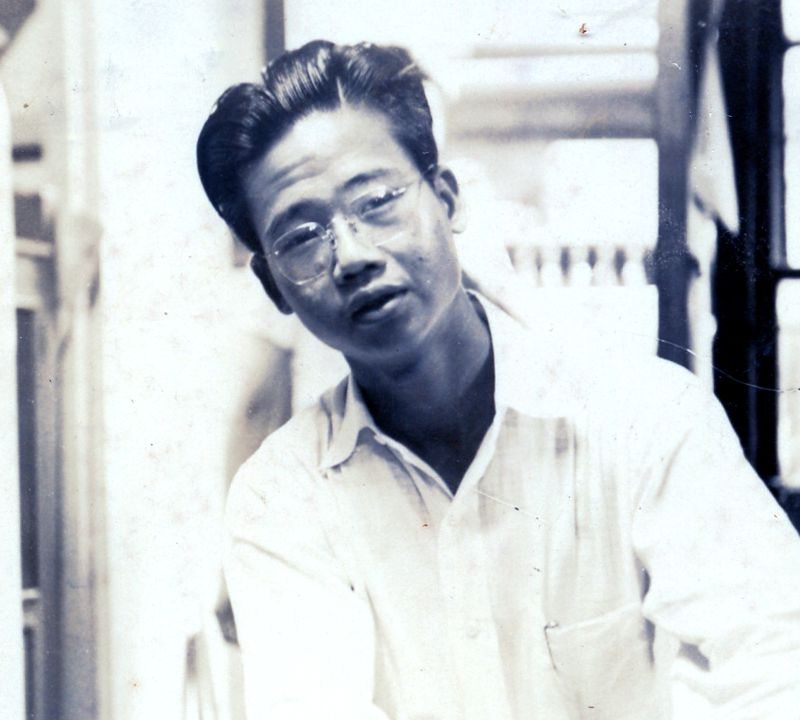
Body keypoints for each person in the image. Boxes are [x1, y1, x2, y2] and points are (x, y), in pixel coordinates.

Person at [196, 40, 800, 719]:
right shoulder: (280, 498)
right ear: (271, 284)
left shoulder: (646, 417)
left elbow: (773, 662)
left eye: (378, 200)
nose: (354, 256)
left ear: (447, 199)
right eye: (303, 236)